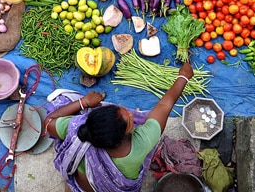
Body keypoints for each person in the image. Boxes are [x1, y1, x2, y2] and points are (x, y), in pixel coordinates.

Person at [44, 61, 194, 192]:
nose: (131, 115)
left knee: (62, 103)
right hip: (116, 188)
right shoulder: (140, 145)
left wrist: (84, 102)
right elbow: (164, 105)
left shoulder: (78, 127)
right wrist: (183, 77)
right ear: (123, 136)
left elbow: (49, 122)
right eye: (129, 121)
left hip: (84, 185)